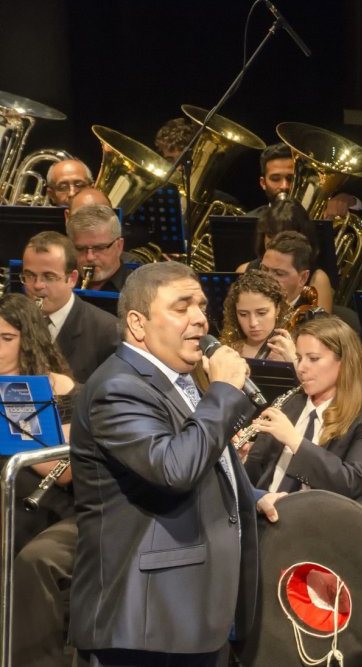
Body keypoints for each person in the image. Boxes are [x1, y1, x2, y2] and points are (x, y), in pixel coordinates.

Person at [70, 261, 280, 666]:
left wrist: (250, 496)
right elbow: (173, 470)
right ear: (138, 324)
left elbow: (200, 459)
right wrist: (223, 391)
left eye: (201, 306)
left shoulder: (177, 380)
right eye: (182, 307)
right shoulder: (118, 387)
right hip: (147, 623)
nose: (200, 318)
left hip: (193, 614)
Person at [242, 314, 362, 533]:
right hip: (266, 522)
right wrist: (242, 459)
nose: (301, 368)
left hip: (324, 531)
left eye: (313, 358)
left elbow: (351, 483)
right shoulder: (288, 404)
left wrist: (295, 441)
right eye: (299, 357)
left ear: (344, 363)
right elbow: (254, 475)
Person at [4, 293, 79, 667]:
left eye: (6, 339)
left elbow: (63, 473)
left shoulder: (60, 390)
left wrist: (12, 424)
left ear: (28, 339)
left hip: (40, 504)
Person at [22, 231, 121, 383]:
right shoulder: (11, 323)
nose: (37, 285)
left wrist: (71, 390)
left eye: (49, 277)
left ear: (72, 279)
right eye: (29, 275)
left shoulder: (107, 332)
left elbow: (111, 392)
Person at [237, 200, 335, 312]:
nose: (274, 241)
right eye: (270, 234)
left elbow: (322, 323)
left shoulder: (318, 280)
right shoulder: (244, 271)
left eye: (279, 273)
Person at [219, 269, 297, 362]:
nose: (253, 323)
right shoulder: (228, 351)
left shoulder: (297, 349)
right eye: (243, 314)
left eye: (261, 313)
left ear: (277, 309)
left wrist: (294, 362)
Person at [66, 204, 137, 292]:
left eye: (100, 248)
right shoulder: (63, 285)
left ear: (119, 246)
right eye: (80, 248)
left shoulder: (140, 289)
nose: (90, 257)